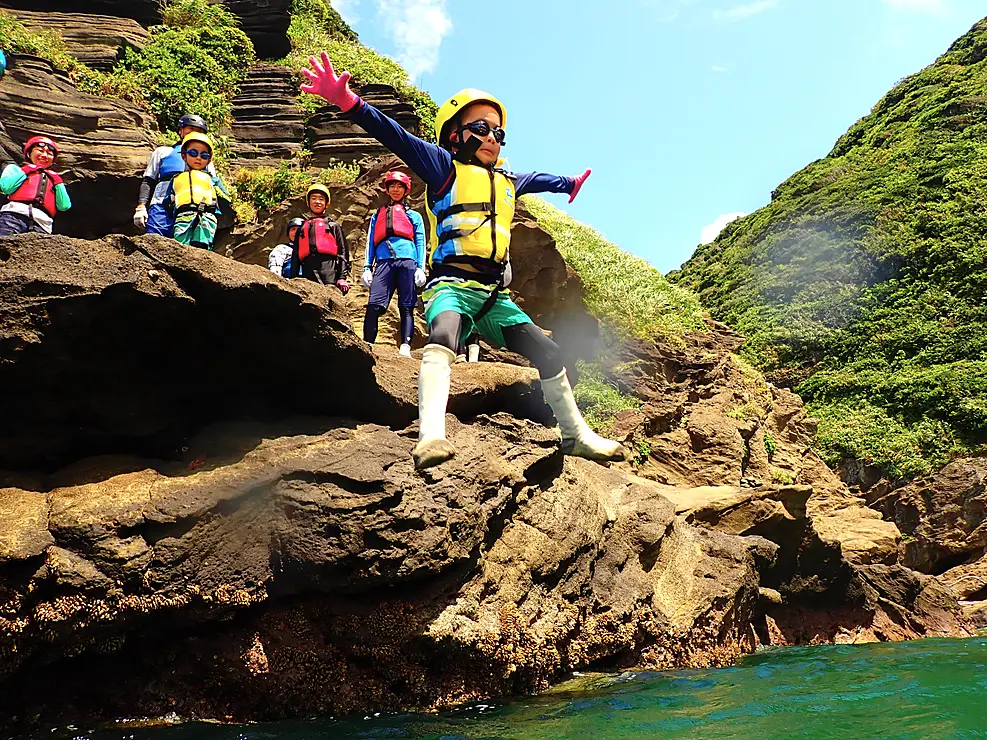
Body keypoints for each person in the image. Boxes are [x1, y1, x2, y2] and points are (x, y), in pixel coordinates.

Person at [301, 52, 626, 470]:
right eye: (481, 128)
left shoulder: (507, 181)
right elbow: (395, 135)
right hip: (450, 284)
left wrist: (568, 185)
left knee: (548, 351)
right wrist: (348, 102)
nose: (493, 137)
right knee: (443, 336)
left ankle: (575, 436)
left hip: (494, 294)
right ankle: (431, 435)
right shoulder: (443, 168)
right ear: (454, 135)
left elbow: (540, 179)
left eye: (498, 132)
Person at [362, 170, 427, 358]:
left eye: (400, 186)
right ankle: (368, 345)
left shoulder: (414, 215)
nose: (396, 189)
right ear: (387, 190)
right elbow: (371, 242)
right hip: (383, 263)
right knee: (374, 305)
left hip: (408, 262)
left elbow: (420, 241)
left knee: (406, 306)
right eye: (392, 186)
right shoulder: (378, 215)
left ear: (406, 190)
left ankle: (405, 346)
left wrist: (420, 268)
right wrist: (367, 267)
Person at [134, 114, 215, 237]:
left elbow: (212, 185)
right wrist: (141, 207)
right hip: (161, 205)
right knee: (155, 241)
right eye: (190, 129)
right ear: (181, 130)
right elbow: (148, 181)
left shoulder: (206, 159)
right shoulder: (163, 152)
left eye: (199, 132)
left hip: (193, 208)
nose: (194, 134)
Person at [168, 132, 230, 250]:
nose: (198, 157)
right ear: (184, 156)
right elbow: (167, 201)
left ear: (209, 159)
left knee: (203, 247)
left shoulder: (213, 180)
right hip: (182, 216)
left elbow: (225, 200)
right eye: (193, 153)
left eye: (204, 155)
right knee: (180, 248)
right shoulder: (176, 179)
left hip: (207, 217)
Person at [288, 183, 351, 295]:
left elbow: (343, 252)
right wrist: (293, 279)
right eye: (314, 198)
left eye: (321, 199)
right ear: (308, 203)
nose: (317, 202)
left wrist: (342, 277)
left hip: (329, 268)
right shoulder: (302, 228)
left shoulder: (333, 226)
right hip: (308, 269)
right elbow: (295, 257)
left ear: (326, 204)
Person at [0, 136, 71, 236]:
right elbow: (6, 187)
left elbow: (64, 206)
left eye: (49, 153)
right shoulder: (15, 169)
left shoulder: (54, 179)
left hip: (42, 224)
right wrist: (27, 170)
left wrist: (58, 182)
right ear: (29, 153)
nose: (44, 155)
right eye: (40, 150)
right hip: (13, 217)